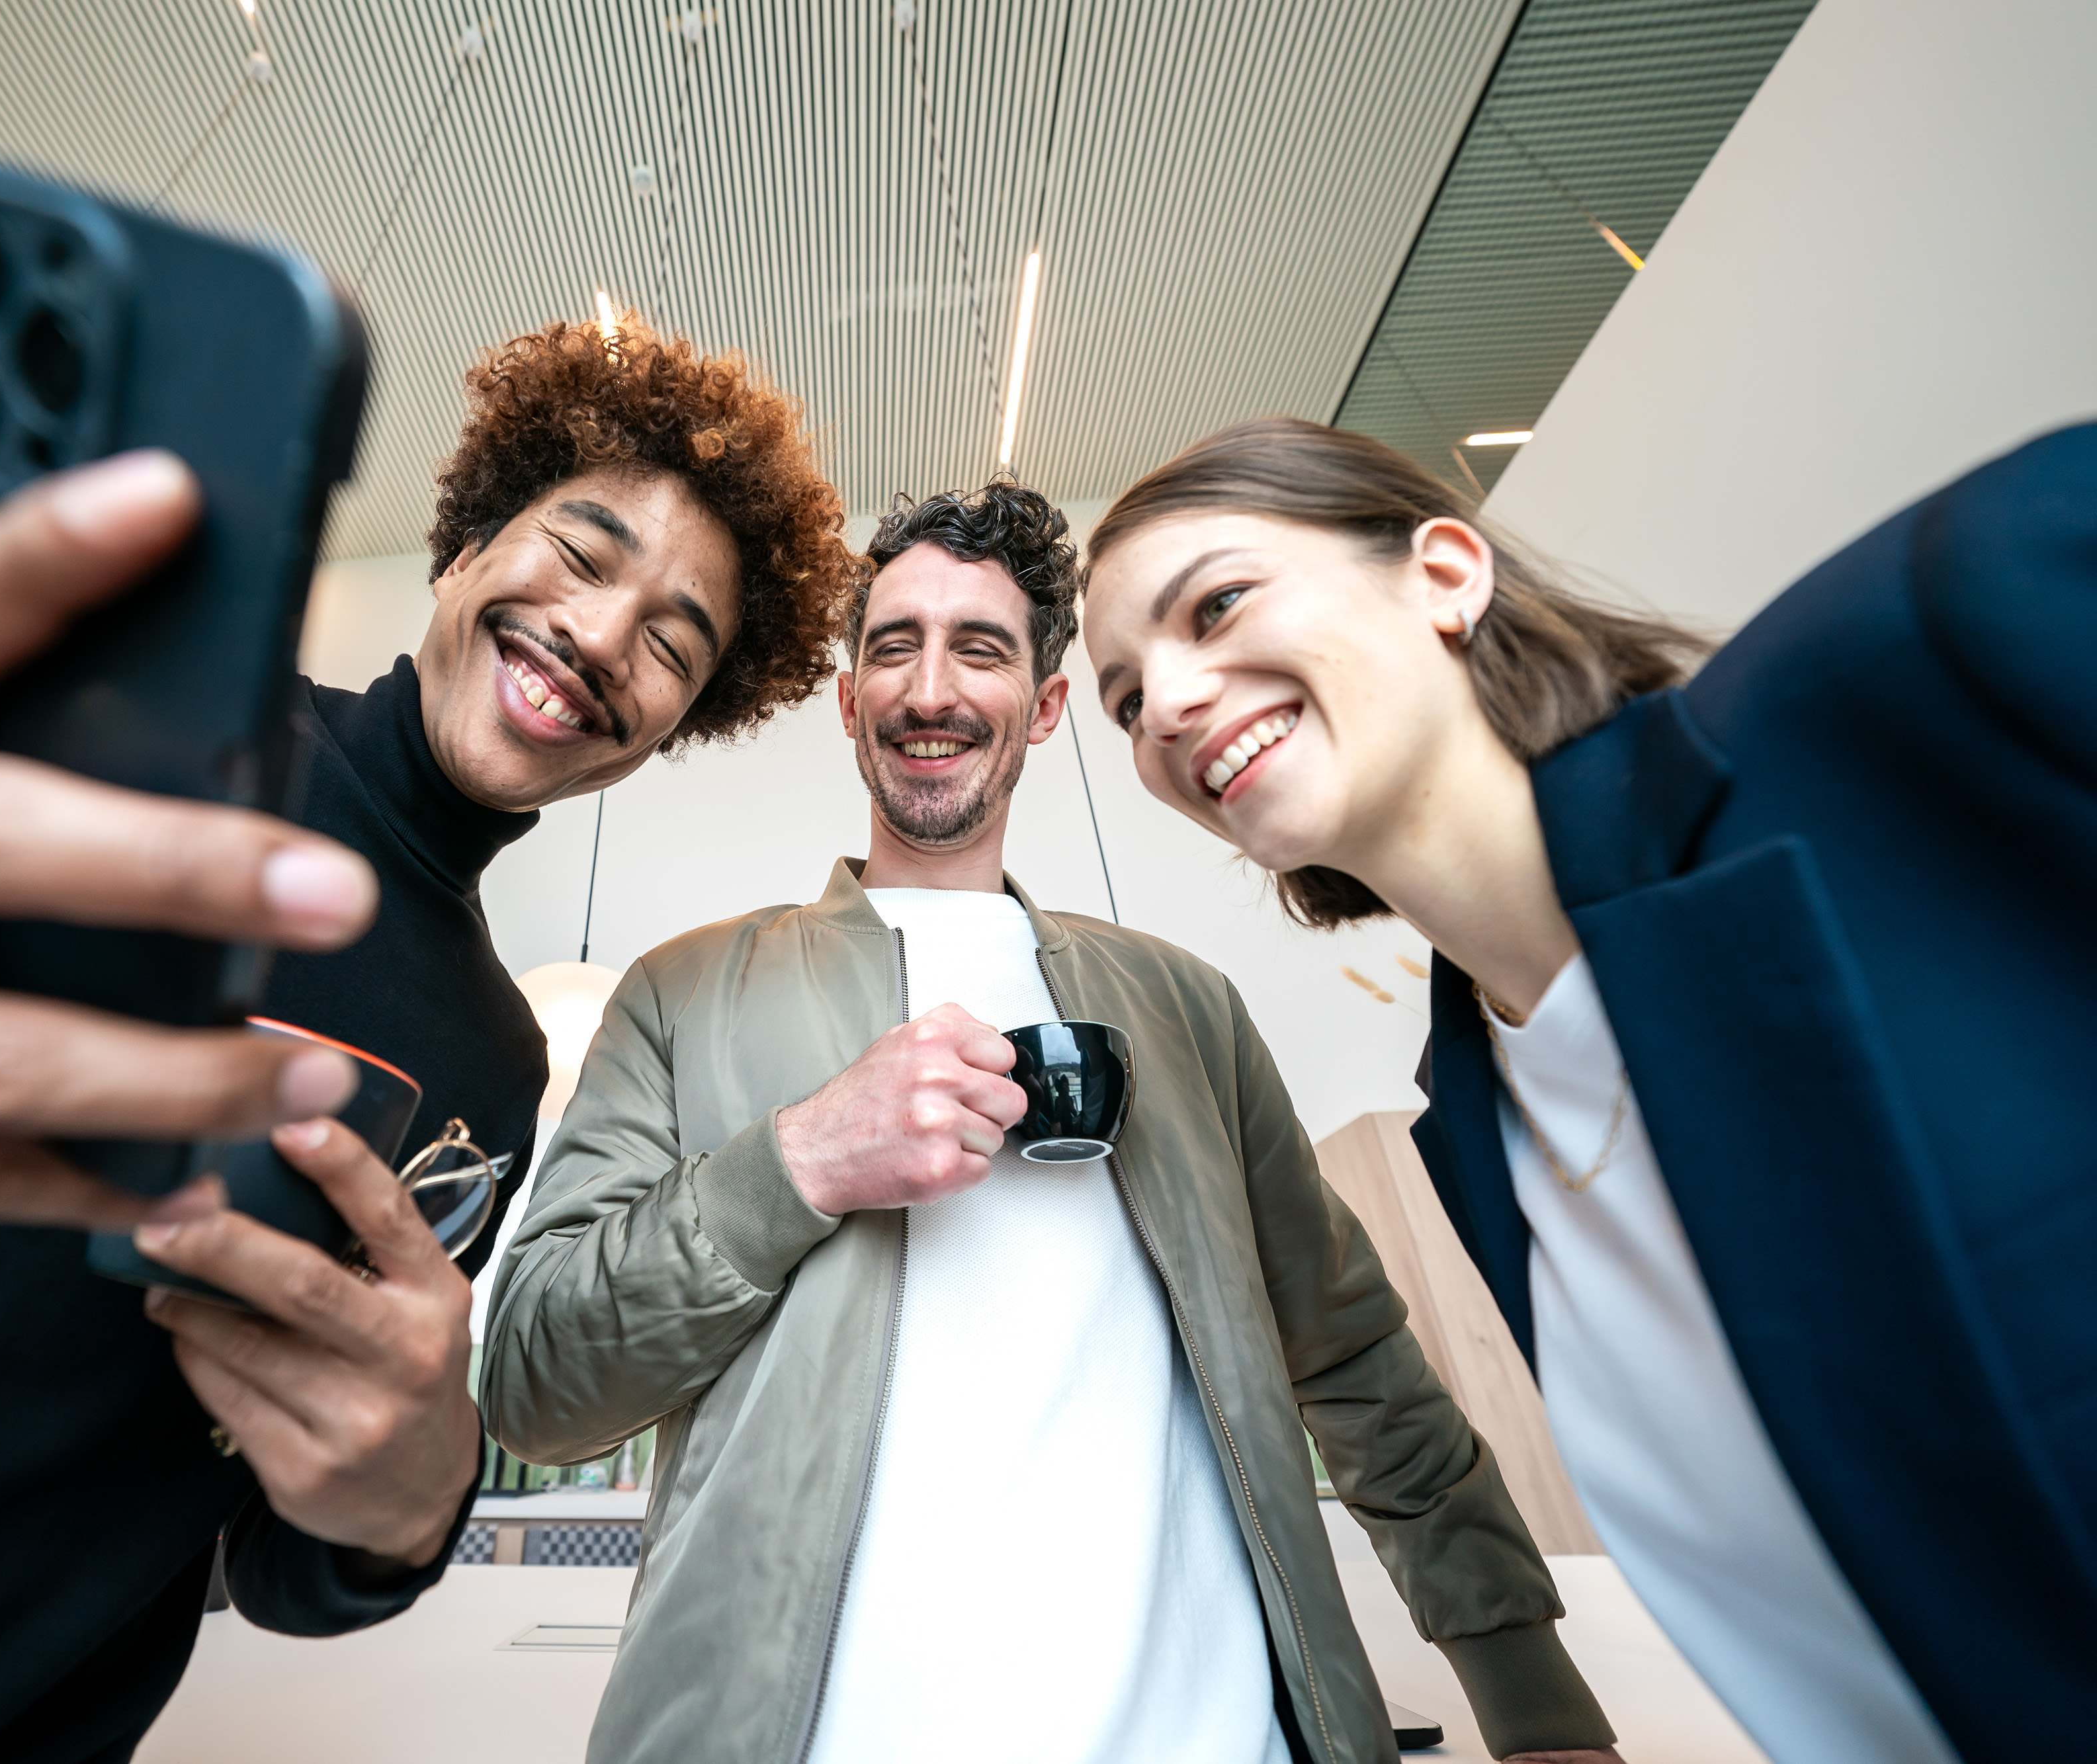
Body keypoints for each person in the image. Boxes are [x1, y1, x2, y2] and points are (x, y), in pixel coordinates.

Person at [0, 318, 857, 1761]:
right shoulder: (48, 672)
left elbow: (259, 1538)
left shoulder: (494, 1065)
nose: (603, 632)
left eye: (674, 642)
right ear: (463, 544)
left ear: (672, 722)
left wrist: (405, 1512)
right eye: (580, 549)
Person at [481, 482, 1624, 1764]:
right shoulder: (686, 990)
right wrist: (797, 1160)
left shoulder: (1185, 1005)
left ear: (1041, 706)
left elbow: (1358, 1365)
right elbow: (533, 1379)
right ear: (849, 702)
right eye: (893, 646)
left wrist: (1530, 1698)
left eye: (978, 648)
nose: (929, 690)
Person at [1078, 416, 2097, 1763]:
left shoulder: (1926, 643)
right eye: (1123, 696)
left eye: (1215, 604)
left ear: (1443, 572)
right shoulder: (1477, 1125)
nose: (1166, 706)